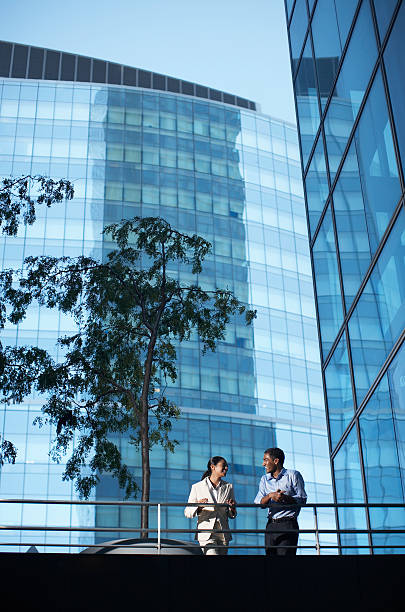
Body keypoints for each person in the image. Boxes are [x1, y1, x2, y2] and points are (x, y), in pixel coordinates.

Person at [254, 447, 307, 556]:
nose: (263, 464)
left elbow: (302, 499)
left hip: (288, 524)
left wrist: (284, 498)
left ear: (276, 461)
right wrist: (270, 496)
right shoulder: (264, 479)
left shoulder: (293, 475)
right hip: (270, 525)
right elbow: (259, 502)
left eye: (266, 460)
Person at [184, 456, 236, 555]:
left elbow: (232, 514)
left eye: (227, 466)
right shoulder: (197, 487)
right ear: (213, 467)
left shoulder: (229, 487)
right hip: (206, 533)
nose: (226, 468)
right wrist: (199, 507)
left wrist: (232, 507)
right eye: (223, 466)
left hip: (223, 533)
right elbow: (187, 512)